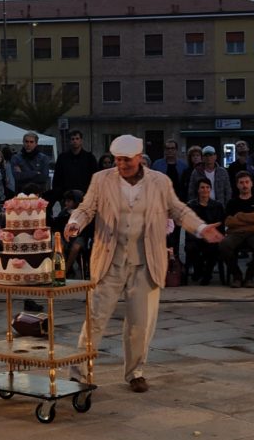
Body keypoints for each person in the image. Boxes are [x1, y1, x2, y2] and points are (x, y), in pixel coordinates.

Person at [62, 133, 222, 392]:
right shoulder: (101, 179)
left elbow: (178, 210)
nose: (121, 164)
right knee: (95, 319)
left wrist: (201, 228)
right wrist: (74, 223)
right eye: (117, 159)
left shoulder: (159, 182)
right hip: (110, 259)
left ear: (138, 158)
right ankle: (78, 374)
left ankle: (135, 372)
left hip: (146, 261)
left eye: (126, 159)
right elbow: (86, 208)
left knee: (140, 323)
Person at [218, 171, 254, 288]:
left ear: (251, 184)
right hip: (235, 234)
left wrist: (239, 216)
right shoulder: (232, 202)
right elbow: (228, 222)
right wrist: (251, 219)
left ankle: (249, 276)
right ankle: (237, 276)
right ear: (237, 185)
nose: (244, 185)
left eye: (247, 182)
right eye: (241, 183)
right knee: (224, 245)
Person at [183, 178, 226, 285]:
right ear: (198, 190)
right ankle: (199, 270)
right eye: (202, 187)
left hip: (212, 236)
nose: (205, 190)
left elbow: (220, 225)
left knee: (213, 247)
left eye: (207, 187)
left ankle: (207, 274)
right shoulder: (191, 205)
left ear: (210, 189)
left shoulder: (217, 206)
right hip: (195, 236)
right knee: (191, 247)